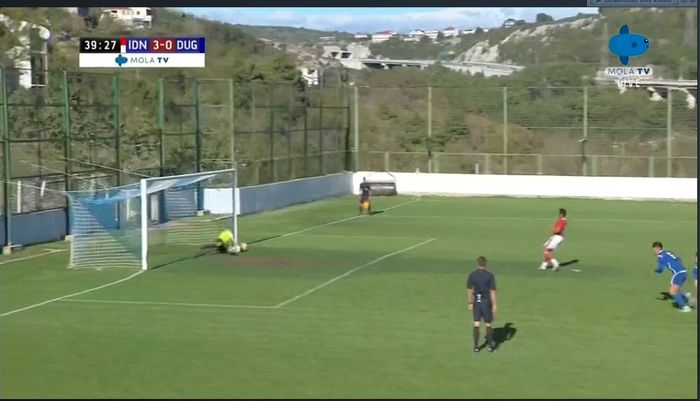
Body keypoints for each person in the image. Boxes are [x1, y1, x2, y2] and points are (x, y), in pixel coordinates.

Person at [467, 256, 498, 353]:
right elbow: (492, 291)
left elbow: (469, 289)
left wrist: (470, 302)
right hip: (486, 302)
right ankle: (490, 346)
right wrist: (494, 304)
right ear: (486, 264)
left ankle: (476, 347)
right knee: (488, 324)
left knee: (476, 323)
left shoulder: (472, 275)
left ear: (477, 264)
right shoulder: (490, 275)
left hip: (477, 301)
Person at [652, 242, 692, 312]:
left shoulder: (660, 257)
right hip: (683, 271)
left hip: (678, 273)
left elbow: (660, 270)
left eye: (654, 250)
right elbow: (678, 258)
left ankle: (685, 307)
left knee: (672, 292)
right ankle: (686, 295)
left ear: (657, 248)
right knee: (672, 287)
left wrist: (656, 271)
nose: (653, 252)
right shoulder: (668, 252)